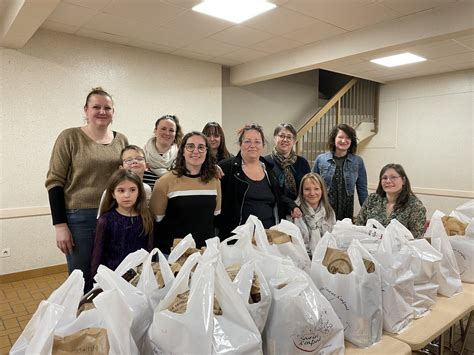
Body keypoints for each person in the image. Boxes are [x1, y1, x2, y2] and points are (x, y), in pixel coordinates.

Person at [45, 87, 128, 291]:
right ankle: (82, 319)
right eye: (96, 107)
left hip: (114, 214)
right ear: (86, 110)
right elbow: (54, 181)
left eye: (107, 107)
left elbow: (129, 176)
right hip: (80, 217)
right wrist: (60, 226)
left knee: (112, 274)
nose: (102, 111)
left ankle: (106, 321)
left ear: (113, 112)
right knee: (82, 278)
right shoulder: (69, 137)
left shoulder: (122, 140)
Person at [216, 124, 291, 239]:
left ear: (263, 145)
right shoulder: (226, 168)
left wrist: (292, 206)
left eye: (257, 142)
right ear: (240, 144)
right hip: (237, 240)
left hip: (268, 239)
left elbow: (279, 198)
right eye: (247, 141)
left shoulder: (270, 170)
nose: (252, 146)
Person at [150, 132, 221, 254]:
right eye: (190, 146)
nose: (196, 151)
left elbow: (215, 216)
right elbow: (157, 221)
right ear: (182, 151)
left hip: (205, 253)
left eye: (201, 147)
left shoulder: (214, 181)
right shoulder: (164, 182)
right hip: (173, 254)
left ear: (206, 152)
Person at [91, 170, 153, 278]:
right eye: (121, 190)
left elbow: (150, 250)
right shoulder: (105, 220)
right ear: (113, 194)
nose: (127, 195)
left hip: (139, 277)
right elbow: (97, 254)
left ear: (139, 193)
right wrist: (93, 281)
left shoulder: (147, 218)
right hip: (112, 277)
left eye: (132, 190)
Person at [313, 123, 368, 221]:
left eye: (348, 138)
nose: (344, 141)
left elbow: (362, 190)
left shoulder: (358, 161)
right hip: (324, 208)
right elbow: (313, 185)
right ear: (334, 139)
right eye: (340, 137)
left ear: (352, 141)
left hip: (346, 209)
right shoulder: (320, 159)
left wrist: (368, 213)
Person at [356, 163, 426, 239]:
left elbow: (417, 238)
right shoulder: (372, 199)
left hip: (400, 250)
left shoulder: (415, 205)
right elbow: (358, 226)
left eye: (393, 177)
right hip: (367, 247)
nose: (388, 181)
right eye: (384, 178)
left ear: (403, 180)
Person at [264, 123, 310, 218]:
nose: (285, 140)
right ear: (275, 138)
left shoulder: (302, 163)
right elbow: (269, 191)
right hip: (275, 213)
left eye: (289, 137)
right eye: (281, 136)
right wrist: (291, 206)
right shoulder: (265, 162)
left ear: (294, 141)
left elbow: (307, 188)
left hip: (300, 212)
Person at [97, 145, 152, 217]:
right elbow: (101, 217)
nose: (134, 162)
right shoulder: (110, 191)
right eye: (129, 160)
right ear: (121, 168)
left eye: (139, 159)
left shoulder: (147, 189)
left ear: (147, 166)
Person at [292, 173, 336, 257]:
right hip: (301, 259)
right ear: (301, 191)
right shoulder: (294, 212)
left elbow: (333, 238)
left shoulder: (329, 212)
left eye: (316, 189)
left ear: (322, 191)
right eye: (307, 189)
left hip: (325, 258)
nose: (312, 193)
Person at [143, 114, 183, 190]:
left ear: (175, 134)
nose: (167, 133)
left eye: (171, 130)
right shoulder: (141, 155)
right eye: (163, 129)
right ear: (155, 130)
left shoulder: (182, 157)